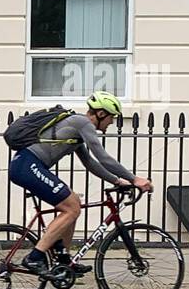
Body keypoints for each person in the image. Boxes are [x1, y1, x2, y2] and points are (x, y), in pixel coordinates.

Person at [8, 91, 154, 276]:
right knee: (71, 208)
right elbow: (103, 157)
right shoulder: (83, 123)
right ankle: (35, 257)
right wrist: (134, 179)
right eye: (111, 117)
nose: (112, 122)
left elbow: (90, 163)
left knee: (74, 201)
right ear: (101, 114)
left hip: (28, 165)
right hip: (27, 165)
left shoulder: (77, 128)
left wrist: (117, 181)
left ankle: (64, 259)